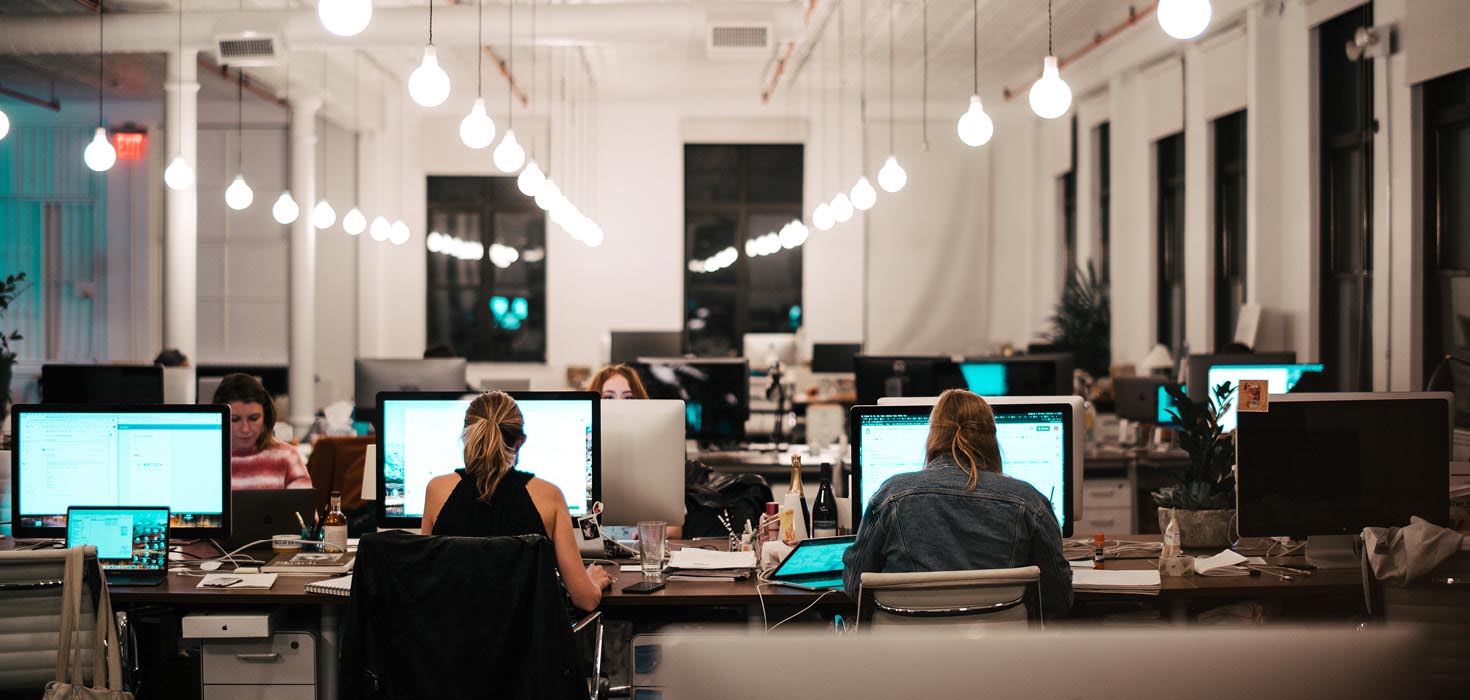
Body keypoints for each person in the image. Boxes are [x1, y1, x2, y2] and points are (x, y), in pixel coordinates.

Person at [841, 388, 1072, 617]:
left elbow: (855, 586)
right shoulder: (1030, 502)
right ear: (991, 439)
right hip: (1001, 650)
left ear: (933, 436)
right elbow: (1059, 598)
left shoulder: (891, 497)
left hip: (910, 650)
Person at [421, 391, 613, 611]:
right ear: (520, 442)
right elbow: (585, 600)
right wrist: (593, 581)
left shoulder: (437, 490)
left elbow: (425, 581)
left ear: (467, 436)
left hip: (449, 641)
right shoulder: (549, 496)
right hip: (526, 644)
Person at [213, 373, 312, 490]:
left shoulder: (287, 456)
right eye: (234, 419)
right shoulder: (202, 458)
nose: (245, 429)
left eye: (253, 418)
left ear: (266, 416)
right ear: (218, 417)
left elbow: (303, 507)